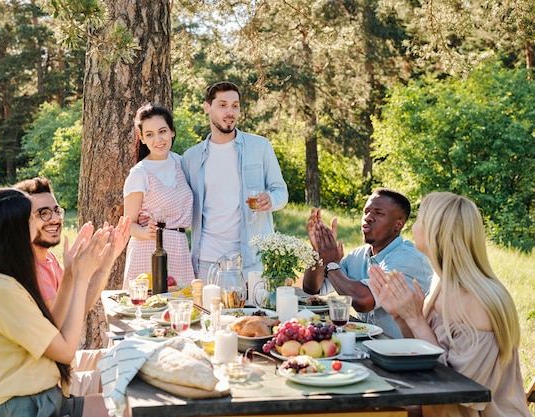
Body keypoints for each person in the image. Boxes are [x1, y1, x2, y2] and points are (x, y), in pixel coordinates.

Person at [0, 188, 129, 417]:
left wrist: (70, 274)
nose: (37, 225)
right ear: (13, 234)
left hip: (38, 398)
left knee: (134, 405)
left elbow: (52, 327)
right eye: (32, 219)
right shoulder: (0, 292)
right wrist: (81, 276)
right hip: (28, 408)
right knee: (141, 405)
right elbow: (66, 352)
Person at [368, 192, 530, 417]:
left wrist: (416, 319)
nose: (413, 226)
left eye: (420, 219)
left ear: (436, 232)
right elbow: (424, 351)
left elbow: (457, 390)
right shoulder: (441, 282)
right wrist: (400, 316)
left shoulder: (478, 302)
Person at [14, 177, 125, 395]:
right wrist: (80, 273)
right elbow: (63, 332)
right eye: (43, 213)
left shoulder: (50, 260)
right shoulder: (30, 269)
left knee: (130, 355)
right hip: (46, 381)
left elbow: (79, 307)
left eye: (56, 211)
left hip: (60, 365)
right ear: (22, 221)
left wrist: (107, 261)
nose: (54, 218)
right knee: (129, 376)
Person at [182, 81, 288, 280]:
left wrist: (271, 200)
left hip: (252, 259)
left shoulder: (260, 146)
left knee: (254, 313)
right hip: (207, 260)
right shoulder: (191, 158)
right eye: (222, 105)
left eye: (235, 105)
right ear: (207, 108)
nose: (230, 111)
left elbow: (280, 190)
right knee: (207, 311)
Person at [302, 188, 433, 338]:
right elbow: (312, 288)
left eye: (379, 213)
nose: (368, 217)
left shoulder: (407, 259)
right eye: (366, 212)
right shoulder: (358, 255)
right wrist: (319, 253)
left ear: (398, 224)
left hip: (406, 351)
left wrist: (331, 264)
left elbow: (363, 301)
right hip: (370, 345)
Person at [122, 103, 195, 288]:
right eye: (149, 134)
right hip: (149, 251)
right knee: (149, 311)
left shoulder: (181, 163)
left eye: (162, 131)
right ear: (142, 139)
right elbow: (128, 225)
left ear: (172, 131)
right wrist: (147, 233)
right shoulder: (140, 174)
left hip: (179, 249)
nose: (158, 139)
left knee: (181, 312)